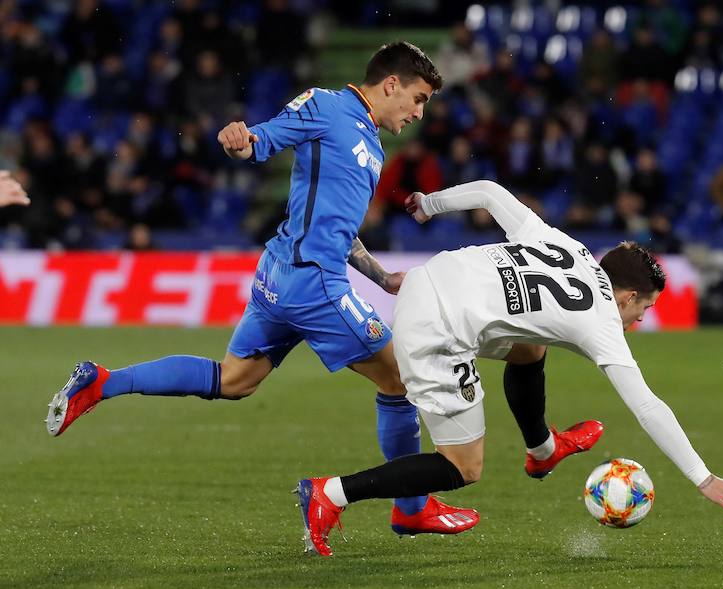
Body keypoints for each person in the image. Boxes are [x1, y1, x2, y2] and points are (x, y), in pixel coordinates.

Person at [45, 42, 480, 537]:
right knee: (400, 380)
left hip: (282, 273)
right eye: (419, 98)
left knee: (234, 380)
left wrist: (380, 276)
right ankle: (410, 508)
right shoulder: (326, 105)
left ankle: (103, 382)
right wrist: (242, 140)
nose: (419, 113)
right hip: (314, 284)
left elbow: (335, 225)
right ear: (391, 84)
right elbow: (263, 139)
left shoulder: (371, 141)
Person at [297, 180, 723, 556]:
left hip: (428, 277)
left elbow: (489, 192)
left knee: (530, 347)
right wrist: (704, 477)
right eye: (644, 309)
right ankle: (332, 493)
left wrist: (430, 204)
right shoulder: (601, 322)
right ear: (627, 296)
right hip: (437, 329)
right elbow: (648, 406)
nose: (641, 319)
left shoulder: (568, 246)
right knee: (463, 466)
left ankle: (542, 450)